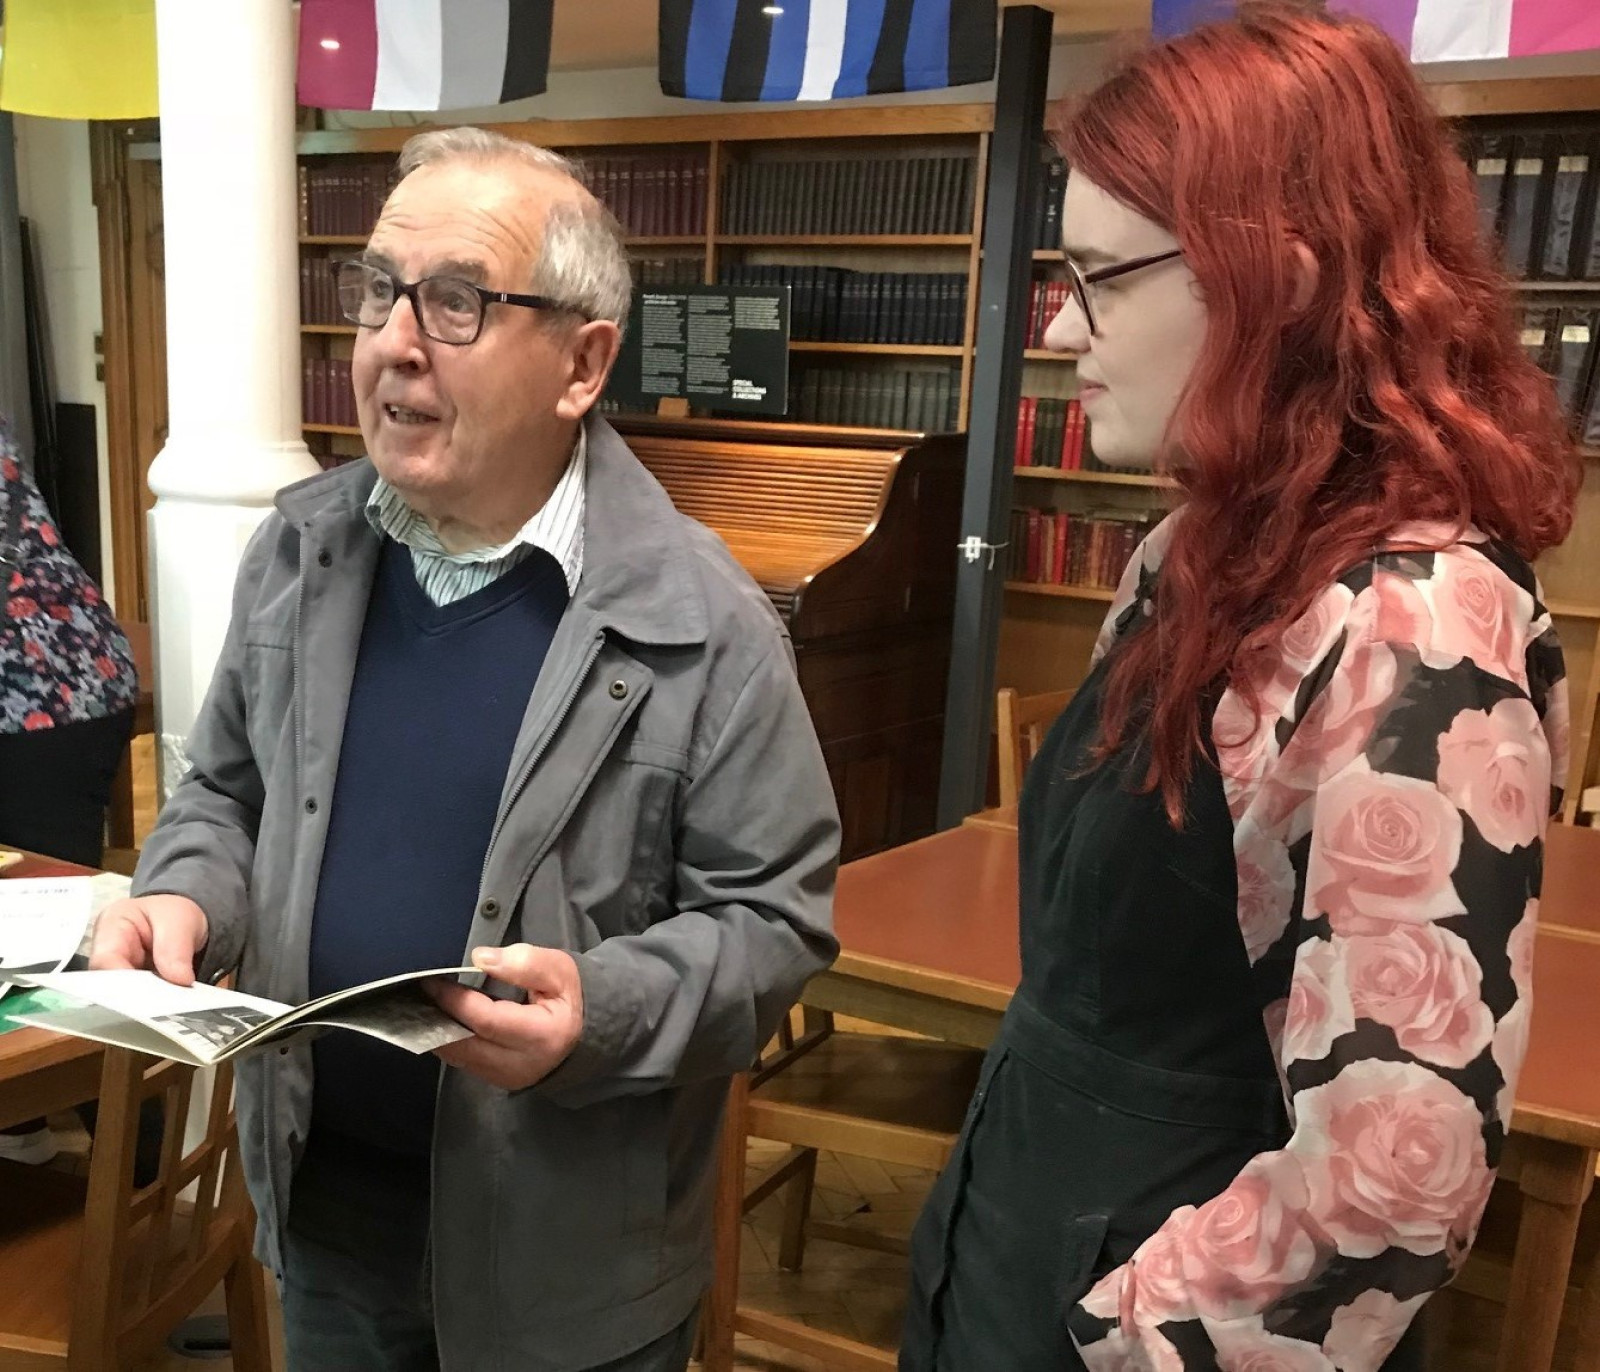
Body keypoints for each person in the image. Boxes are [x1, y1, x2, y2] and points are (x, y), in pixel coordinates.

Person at [90, 128, 841, 1372]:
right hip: (323, 1218)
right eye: (378, 289)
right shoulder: (300, 553)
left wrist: (600, 1013)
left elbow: (773, 918)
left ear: (581, 364)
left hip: (564, 1269)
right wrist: (184, 893)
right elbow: (224, 792)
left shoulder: (703, 621)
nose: (393, 339)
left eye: (455, 301)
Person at [901, 6, 1578, 1370]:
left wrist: (1114, 1338)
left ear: (1277, 278)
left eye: (1098, 276)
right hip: (1022, 1238)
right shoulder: (1188, 554)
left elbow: (1393, 1185)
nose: (1058, 323)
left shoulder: (1412, 628)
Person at [1, 415, 140, 1166]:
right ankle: (24, 1128)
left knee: (48, 943)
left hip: (44, 694)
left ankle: (141, 1172)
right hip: (68, 676)